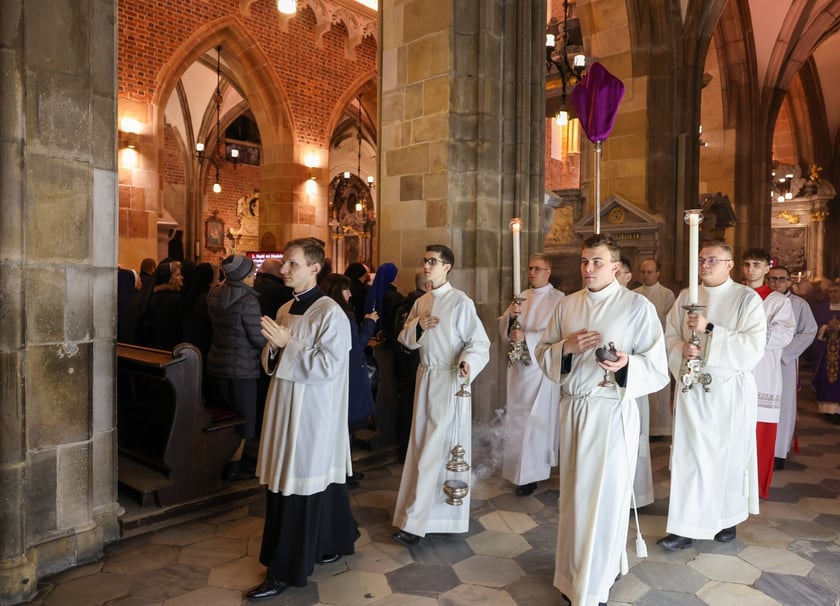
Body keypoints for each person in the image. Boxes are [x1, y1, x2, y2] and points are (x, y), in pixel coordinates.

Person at [534, 235, 668, 606]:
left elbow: (658, 369)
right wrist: (568, 348)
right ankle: (573, 573)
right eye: (584, 261)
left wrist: (627, 364)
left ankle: (594, 583)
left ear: (615, 267)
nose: (588, 269)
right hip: (574, 411)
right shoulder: (567, 306)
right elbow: (543, 354)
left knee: (605, 498)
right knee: (575, 497)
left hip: (611, 411)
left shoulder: (637, 307)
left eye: (596, 262)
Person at [248, 238, 357, 600]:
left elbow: (329, 367)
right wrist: (276, 347)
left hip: (311, 414)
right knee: (288, 481)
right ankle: (328, 542)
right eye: (283, 262)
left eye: (291, 263)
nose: (283, 269)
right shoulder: (283, 309)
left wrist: (288, 345)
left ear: (314, 268)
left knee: (300, 485)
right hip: (284, 407)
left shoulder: (331, 314)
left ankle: (284, 570)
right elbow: (271, 361)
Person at [658, 240, 765, 551]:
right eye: (702, 259)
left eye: (713, 260)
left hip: (728, 391)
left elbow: (753, 349)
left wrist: (710, 331)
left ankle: (726, 517)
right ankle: (684, 525)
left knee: (726, 456)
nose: (705, 265)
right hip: (692, 389)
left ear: (730, 265)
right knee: (689, 456)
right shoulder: (685, 297)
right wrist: (682, 349)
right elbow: (670, 336)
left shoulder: (746, 299)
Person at [391, 244, 490, 546]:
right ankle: (419, 515)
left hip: (449, 381)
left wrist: (467, 362)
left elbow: (479, 342)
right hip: (426, 378)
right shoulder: (422, 302)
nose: (426, 266)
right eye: (425, 261)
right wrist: (418, 328)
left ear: (447, 266)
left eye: (433, 261)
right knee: (422, 447)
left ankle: (417, 522)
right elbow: (406, 340)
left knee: (438, 449)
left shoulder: (461, 302)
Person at [498, 253, 564, 496]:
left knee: (536, 420)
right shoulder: (521, 297)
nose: (532, 273)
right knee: (517, 418)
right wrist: (510, 318)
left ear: (548, 271)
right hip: (518, 369)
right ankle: (517, 471)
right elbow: (503, 328)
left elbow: (559, 334)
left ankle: (533, 474)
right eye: (530, 268)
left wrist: (528, 336)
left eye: (538, 268)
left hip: (541, 369)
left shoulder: (559, 299)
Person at [206, 255, 266, 481]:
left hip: (217, 361)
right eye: (251, 273)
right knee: (243, 418)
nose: (253, 277)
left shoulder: (214, 293)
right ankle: (234, 465)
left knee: (225, 415)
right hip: (242, 367)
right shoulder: (248, 301)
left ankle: (222, 460)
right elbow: (256, 338)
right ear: (243, 276)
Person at [741, 248, 795, 498]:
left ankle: (756, 488)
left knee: (761, 431)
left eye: (756, 264)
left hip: (764, 371)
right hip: (736, 369)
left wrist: (747, 334)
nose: (750, 269)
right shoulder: (735, 295)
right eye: (747, 264)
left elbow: (784, 334)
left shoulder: (779, 301)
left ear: (766, 269)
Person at [321, 273, 379, 488]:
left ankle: (346, 469)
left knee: (344, 426)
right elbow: (355, 348)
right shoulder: (342, 315)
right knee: (345, 426)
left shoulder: (329, 312)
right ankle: (342, 473)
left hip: (341, 375)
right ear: (338, 291)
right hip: (349, 375)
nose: (350, 293)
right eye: (346, 290)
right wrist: (369, 323)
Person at [767, 266, 817, 468]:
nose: (776, 283)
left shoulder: (799, 304)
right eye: (772, 279)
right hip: (761, 360)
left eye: (781, 279)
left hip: (785, 361)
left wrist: (785, 353)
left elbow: (809, 332)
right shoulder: (758, 300)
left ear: (789, 282)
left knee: (784, 404)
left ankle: (778, 451)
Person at [634, 258, 677, 437]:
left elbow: (669, 322)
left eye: (650, 272)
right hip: (638, 347)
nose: (646, 275)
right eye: (643, 272)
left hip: (658, 346)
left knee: (659, 391)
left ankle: (659, 428)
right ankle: (643, 426)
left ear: (658, 273)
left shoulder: (666, 294)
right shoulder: (634, 293)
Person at [392, 270, 432, 460]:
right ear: (427, 286)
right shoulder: (418, 306)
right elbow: (403, 336)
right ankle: (409, 448)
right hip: (415, 364)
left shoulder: (404, 302)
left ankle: (406, 447)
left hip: (406, 365)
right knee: (412, 407)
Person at [812, 282, 840, 423]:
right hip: (825, 353)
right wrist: (826, 328)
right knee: (826, 380)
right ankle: (827, 410)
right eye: (831, 291)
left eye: (836, 291)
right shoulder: (821, 309)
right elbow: (813, 327)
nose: (833, 294)